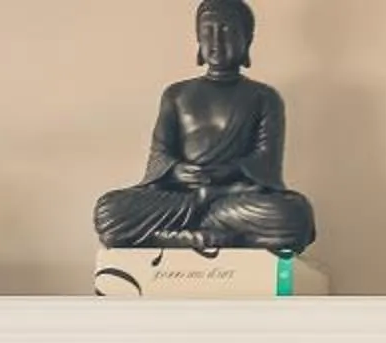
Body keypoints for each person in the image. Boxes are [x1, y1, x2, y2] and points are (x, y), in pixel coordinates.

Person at [93, 0, 317, 254]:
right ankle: (196, 235)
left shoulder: (264, 97)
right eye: (207, 32)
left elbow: (266, 162)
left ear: (247, 40)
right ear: (198, 39)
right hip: (181, 197)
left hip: (232, 196)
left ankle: (178, 233)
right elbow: (159, 156)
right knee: (108, 212)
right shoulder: (176, 94)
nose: (216, 42)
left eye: (226, 31)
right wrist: (177, 171)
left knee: (294, 215)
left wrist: (227, 173)